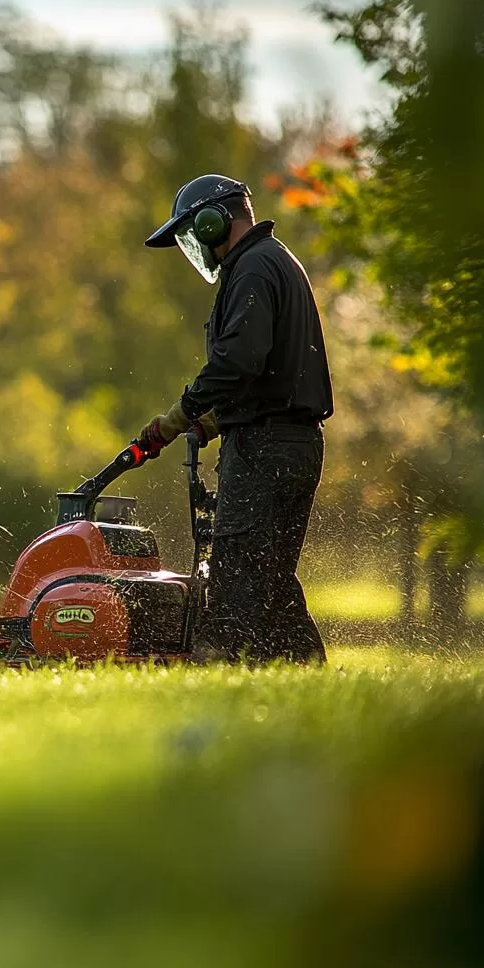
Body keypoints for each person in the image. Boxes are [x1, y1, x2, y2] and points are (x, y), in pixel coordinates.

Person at [139, 174, 333, 665]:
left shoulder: (251, 268)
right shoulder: (275, 261)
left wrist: (180, 415)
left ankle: (219, 664)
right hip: (294, 443)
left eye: (191, 232)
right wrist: (215, 423)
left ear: (213, 220)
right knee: (270, 575)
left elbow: (238, 361)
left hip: (265, 449)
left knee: (239, 572)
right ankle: (303, 670)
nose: (194, 245)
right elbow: (272, 373)